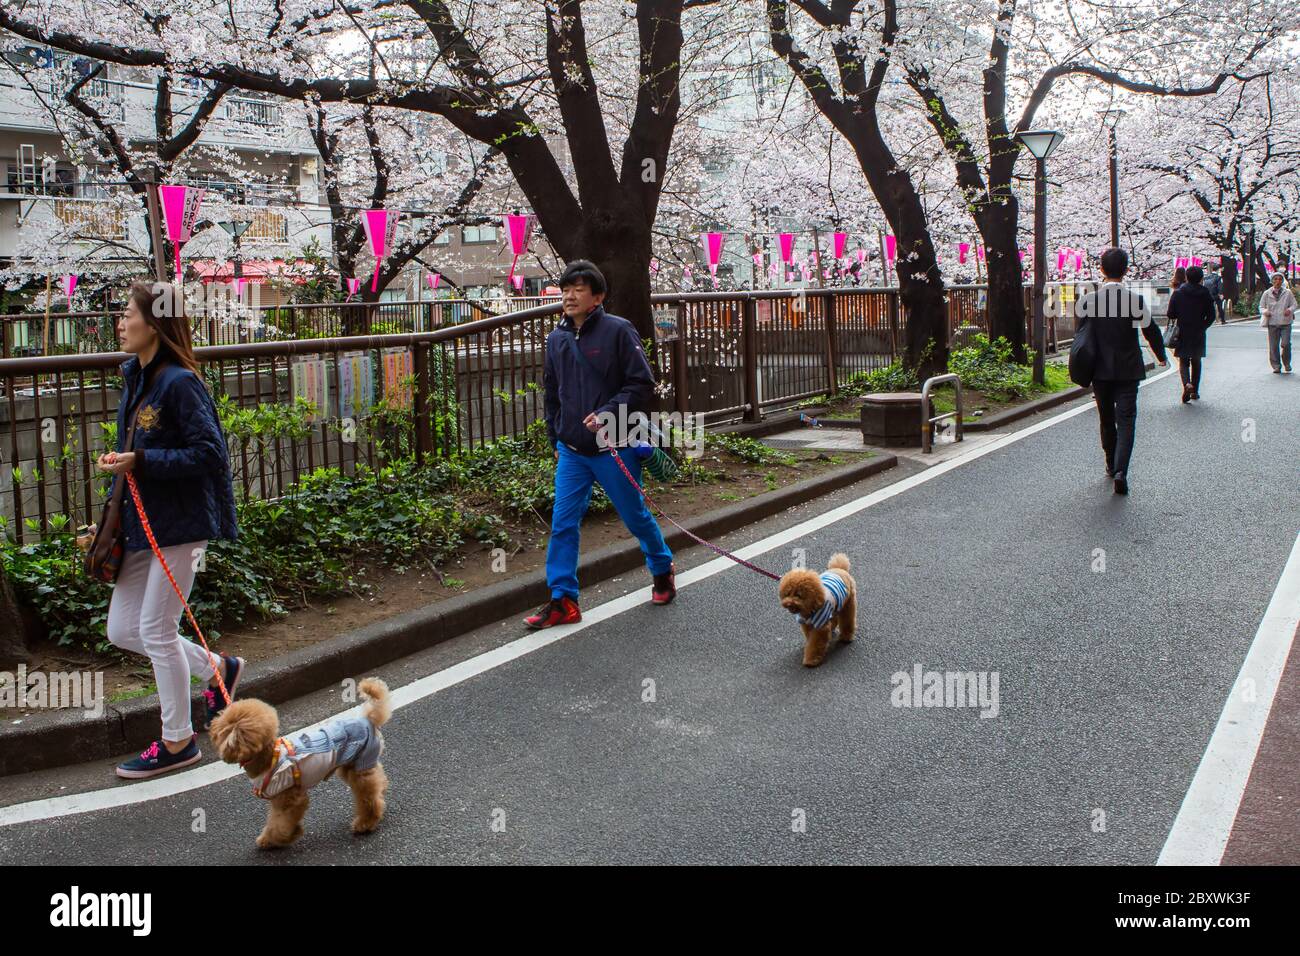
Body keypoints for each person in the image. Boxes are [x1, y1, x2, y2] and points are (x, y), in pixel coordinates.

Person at [99, 281, 241, 779]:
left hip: (179, 526)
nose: (120, 322)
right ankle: (217, 669)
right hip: (141, 525)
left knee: (157, 631)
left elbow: (210, 454)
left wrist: (142, 460)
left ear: (154, 323)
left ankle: (178, 741)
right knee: (123, 629)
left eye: (128, 314)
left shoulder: (179, 383)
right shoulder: (135, 379)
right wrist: (127, 464)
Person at [524, 260, 675, 629]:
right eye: (565, 289)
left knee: (635, 516)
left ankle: (661, 567)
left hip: (616, 446)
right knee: (563, 523)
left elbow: (642, 384)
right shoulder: (557, 338)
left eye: (578, 289)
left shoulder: (618, 331)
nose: (569, 295)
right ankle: (563, 601)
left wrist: (607, 412)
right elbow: (552, 394)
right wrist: (555, 438)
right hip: (573, 451)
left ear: (598, 297)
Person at [1073, 248, 1169, 496]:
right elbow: (1150, 331)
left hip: (1100, 369)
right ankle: (1121, 471)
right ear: (1126, 270)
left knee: (1106, 417)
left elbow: (1081, 337)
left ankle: (1109, 462)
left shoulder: (1088, 301)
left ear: (1102, 270)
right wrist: (1160, 356)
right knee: (1126, 420)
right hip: (1128, 368)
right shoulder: (1134, 300)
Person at [1166, 265, 1218, 402]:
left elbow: (1170, 313)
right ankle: (1195, 390)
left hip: (1182, 330)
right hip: (1198, 331)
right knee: (1196, 360)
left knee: (1183, 361)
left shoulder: (1178, 293)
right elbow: (1212, 315)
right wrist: (1203, 326)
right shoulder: (1205, 293)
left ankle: (1186, 384)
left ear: (1186, 277)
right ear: (1201, 278)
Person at [1258, 271, 1295, 373]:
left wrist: (1289, 310)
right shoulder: (1266, 293)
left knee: (1286, 344)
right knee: (1273, 346)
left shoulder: (1288, 293)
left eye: (1279, 279)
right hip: (1272, 322)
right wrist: (1265, 311)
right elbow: (1261, 306)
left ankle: (1287, 363)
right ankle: (1276, 366)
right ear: (1272, 281)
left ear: (1282, 281)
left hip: (1286, 322)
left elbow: (1294, 305)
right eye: (1275, 279)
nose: (1277, 281)